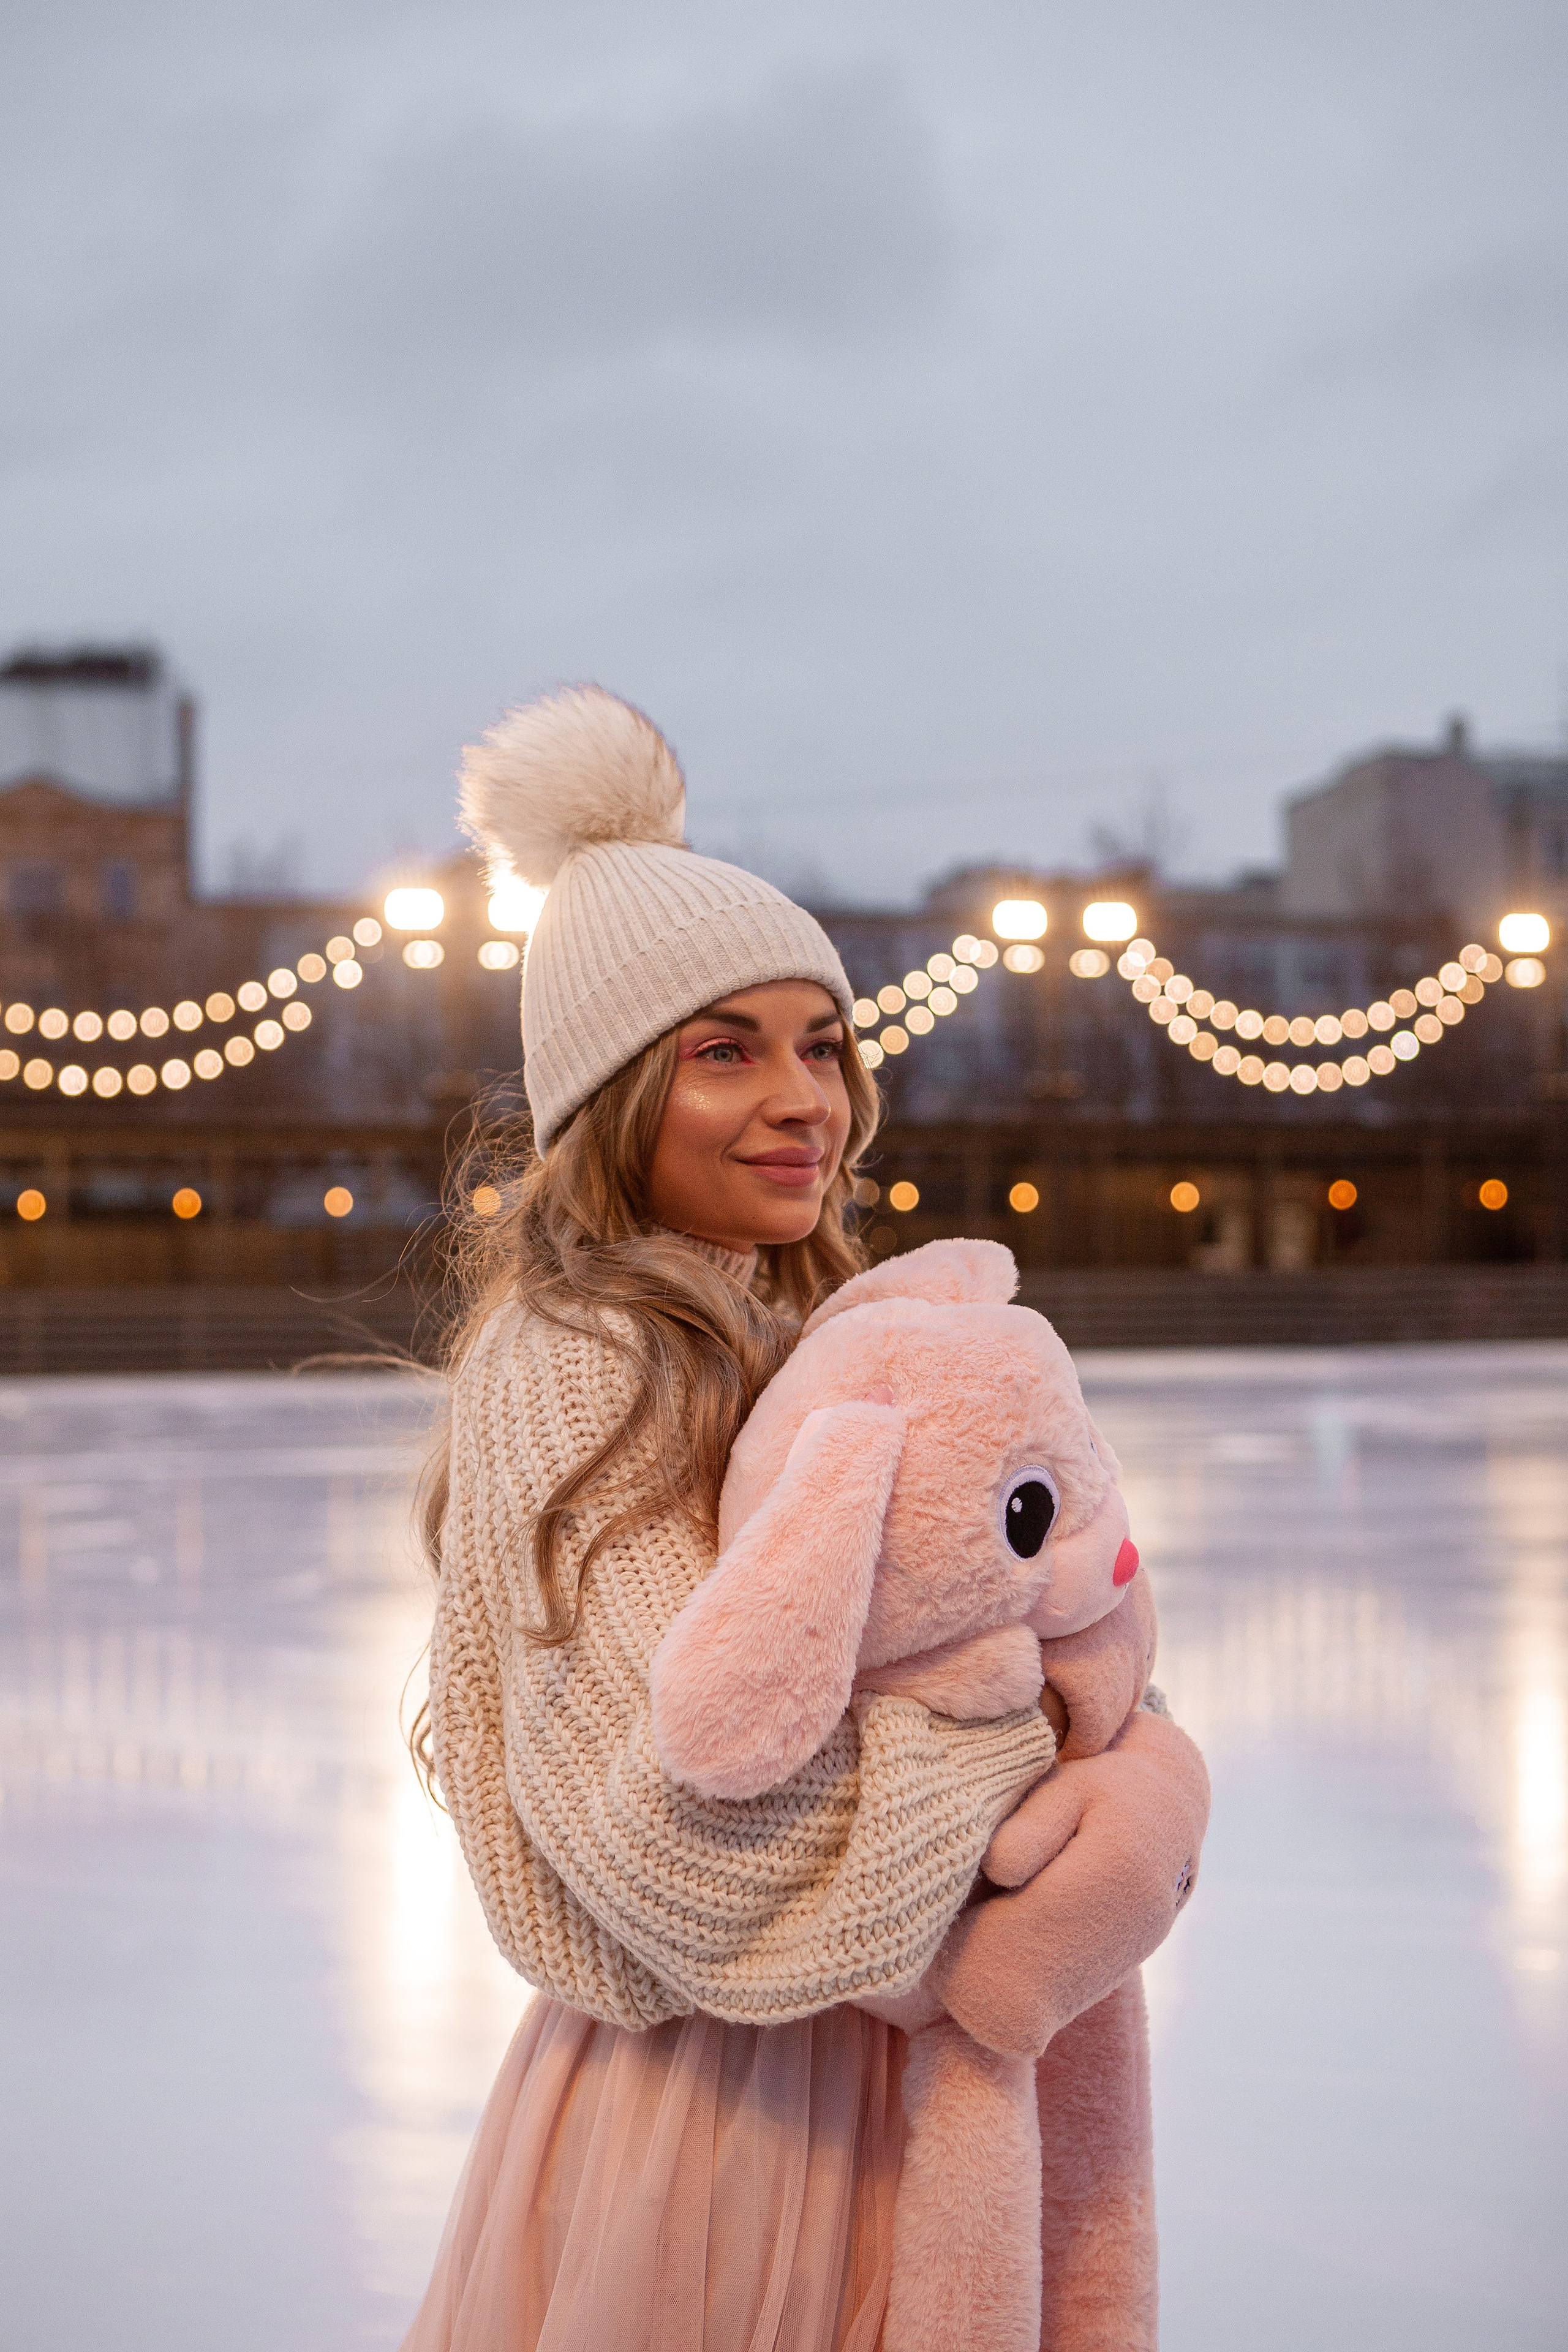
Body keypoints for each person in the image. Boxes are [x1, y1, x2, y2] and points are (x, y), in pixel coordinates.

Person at [402, 685, 1177, 2352]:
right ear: (609, 1098)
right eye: (724, 1052)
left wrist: (1133, 1758)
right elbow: (663, 1835)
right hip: (730, 2132)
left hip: (900, 2089)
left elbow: (1038, 1601)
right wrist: (1038, 1748)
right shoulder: (582, 1357)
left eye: (823, 1043)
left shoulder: (829, 1331)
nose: (803, 1097)